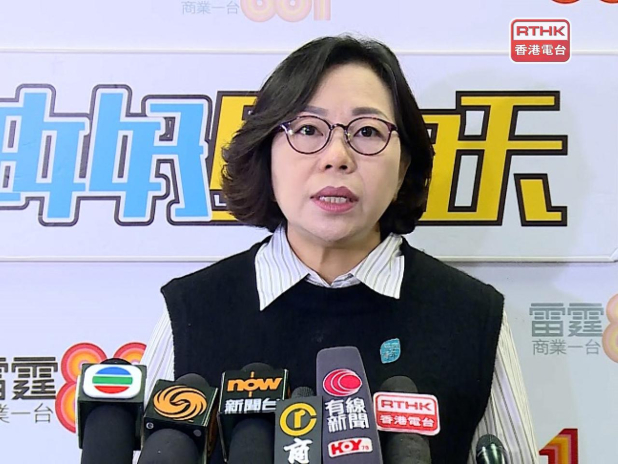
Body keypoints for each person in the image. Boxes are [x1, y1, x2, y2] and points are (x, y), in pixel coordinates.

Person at [141, 35, 539, 463]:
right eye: (308, 129)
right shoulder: (192, 310)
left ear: (403, 166)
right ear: (266, 154)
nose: (337, 156)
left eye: (367, 132)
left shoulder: (471, 316)